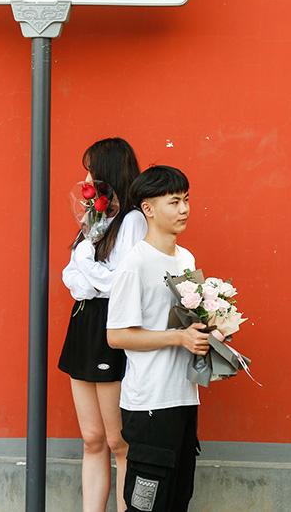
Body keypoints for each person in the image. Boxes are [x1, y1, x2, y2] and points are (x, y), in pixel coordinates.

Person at [106, 165, 209, 512]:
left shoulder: (186, 258)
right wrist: (178, 338)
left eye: (187, 200)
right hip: (149, 401)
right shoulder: (134, 264)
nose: (184, 209)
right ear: (148, 208)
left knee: (179, 497)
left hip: (184, 395)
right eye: (174, 202)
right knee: (146, 504)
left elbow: (189, 322)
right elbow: (116, 335)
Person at [59, 138, 148, 512]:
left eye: (91, 171)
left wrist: (86, 263)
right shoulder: (96, 218)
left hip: (112, 327)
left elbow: (120, 284)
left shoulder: (132, 221)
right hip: (83, 323)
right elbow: (72, 278)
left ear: (108, 171)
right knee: (92, 438)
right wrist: (86, 271)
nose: (85, 180)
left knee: (118, 441)